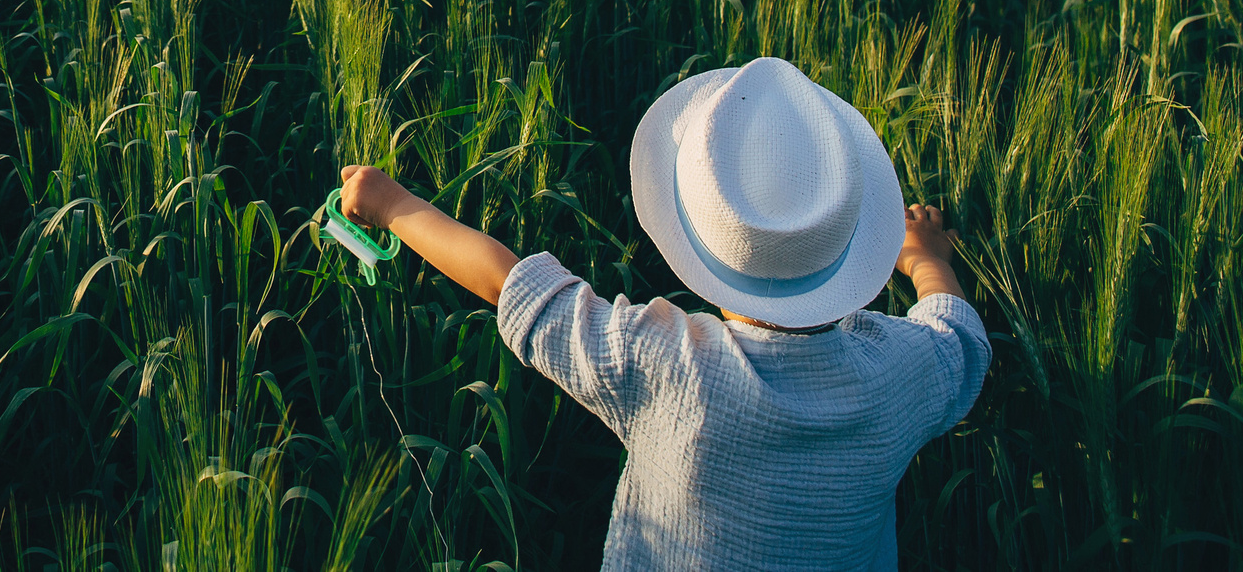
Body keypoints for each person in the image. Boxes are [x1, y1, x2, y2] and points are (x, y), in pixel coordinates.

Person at [338, 56, 989, 572]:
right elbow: (959, 335)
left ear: (706, 241)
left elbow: (507, 282)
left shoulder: (663, 362)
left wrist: (390, 202)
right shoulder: (899, 373)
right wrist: (925, 255)